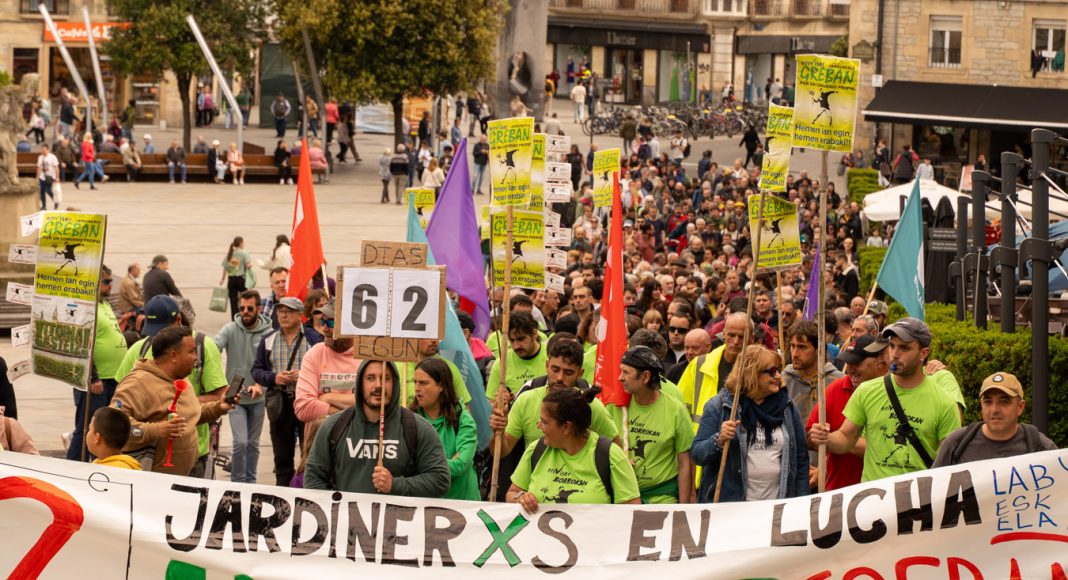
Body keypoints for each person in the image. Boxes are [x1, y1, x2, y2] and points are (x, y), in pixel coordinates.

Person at [809, 318, 962, 481]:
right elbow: (846, 438)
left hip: (919, 501)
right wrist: (827, 438)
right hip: (874, 501)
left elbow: (950, 461)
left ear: (923, 353)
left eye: (904, 348)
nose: (894, 354)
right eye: (892, 346)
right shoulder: (867, 391)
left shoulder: (944, 402)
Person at [113, 295, 228, 478]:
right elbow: (118, 422)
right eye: (154, 330)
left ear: (179, 320)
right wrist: (156, 429)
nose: (158, 337)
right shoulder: (138, 363)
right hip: (154, 474)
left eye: (163, 329)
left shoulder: (186, 371)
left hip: (194, 459)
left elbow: (191, 412)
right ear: (173, 356)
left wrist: (218, 407)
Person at [304, 360, 450, 497]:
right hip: (346, 521)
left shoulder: (418, 428)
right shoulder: (333, 426)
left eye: (386, 378)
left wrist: (396, 485)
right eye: (370, 378)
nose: (378, 385)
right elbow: (313, 477)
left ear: (395, 383)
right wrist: (334, 510)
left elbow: (440, 480)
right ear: (360, 384)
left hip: (397, 522)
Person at [691, 345, 809, 502]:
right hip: (733, 510)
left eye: (778, 369)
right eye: (772, 371)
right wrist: (719, 440)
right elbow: (697, 454)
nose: (778, 376)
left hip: (778, 507)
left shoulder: (786, 405)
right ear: (752, 374)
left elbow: (801, 458)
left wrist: (801, 503)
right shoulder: (721, 406)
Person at [507, 386, 640, 512]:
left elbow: (631, 513)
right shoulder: (536, 450)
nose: (538, 425)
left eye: (545, 422)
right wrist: (521, 498)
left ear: (567, 427)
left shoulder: (610, 455)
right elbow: (512, 493)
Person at [253, 296, 322, 486]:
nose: (283, 315)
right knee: (282, 457)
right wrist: (275, 378)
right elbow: (257, 371)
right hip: (280, 403)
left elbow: (324, 369)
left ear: (300, 315)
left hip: (306, 402)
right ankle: (282, 496)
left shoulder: (314, 339)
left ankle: (306, 490)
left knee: (309, 454)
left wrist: (306, 375)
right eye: (280, 311)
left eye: (289, 311)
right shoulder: (268, 340)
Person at [805, 335, 888, 491]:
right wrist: (817, 437)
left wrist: (839, 440)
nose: (850, 369)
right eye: (848, 362)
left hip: (881, 493)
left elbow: (882, 449)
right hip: (839, 493)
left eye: (857, 363)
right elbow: (810, 436)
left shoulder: (896, 392)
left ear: (880, 361)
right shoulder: (835, 389)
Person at [66, 267, 128, 462]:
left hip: (113, 378)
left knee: (105, 430)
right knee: (87, 429)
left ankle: (97, 465)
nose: (110, 286)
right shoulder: (86, 307)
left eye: (111, 282)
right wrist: (93, 376)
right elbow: (80, 342)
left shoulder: (105, 305)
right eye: (106, 282)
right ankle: (73, 467)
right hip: (96, 381)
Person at [618, 346, 694, 503]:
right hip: (623, 497)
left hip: (662, 497)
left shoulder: (675, 410)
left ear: (645, 377)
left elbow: (685, 463)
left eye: (626, 372)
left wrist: (683, 508)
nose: (620, 377)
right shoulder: (617, 405)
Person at [932, 372, 1057, 467]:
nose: (994, 409)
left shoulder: (1041, 446)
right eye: (988, 402)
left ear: (1020, 407)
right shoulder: (956, 443)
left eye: (1004, 402)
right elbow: (933, 491)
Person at [213, 290, 272, 484]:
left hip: (257, 398)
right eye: (242, 308)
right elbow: (214, 348)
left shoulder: (268, 333)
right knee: (240, 442)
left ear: (258, 309)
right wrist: (218, 384)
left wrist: (260, 385)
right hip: (235, 397)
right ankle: (237, 485)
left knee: (253, 445)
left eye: (250, 308)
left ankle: (250, 484)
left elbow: (271, 363)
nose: (245, 312)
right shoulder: (230, 329)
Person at [410, 357, 480, 500]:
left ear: (441, 386)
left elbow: (460, 465)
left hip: (464, 507)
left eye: (423, 383)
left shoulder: (462, 418)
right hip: (424, 507)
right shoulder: (408, 420)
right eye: (415, 382)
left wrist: (421, 465)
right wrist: (445, 463)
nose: (417, 388)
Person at [294, 301, 362, 440]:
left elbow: (375, 405)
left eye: (331, 323)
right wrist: (351, 413)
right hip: (319, 447)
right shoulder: (315, 354)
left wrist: (327, 398)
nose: (324, 329)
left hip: (357, 446)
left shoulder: (366, 358)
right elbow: (303, 407)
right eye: (322, 322)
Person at [678, 312, 749, 427]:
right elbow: (680, 406)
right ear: (724, 334)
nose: (736, 342)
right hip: (700, 440)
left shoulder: (758, 369)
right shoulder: (699, 364)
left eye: (742, 337)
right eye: (731, 335)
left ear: (752, 338)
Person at [485, 312, 548, 400]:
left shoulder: (550, 356)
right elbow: (490, 402)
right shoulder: (501, 363)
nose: (516, 346)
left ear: (534, 333)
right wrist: (501, 402)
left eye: (521, 339)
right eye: (512, 340)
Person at [219, 236, 251, 317]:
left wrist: (222, 279)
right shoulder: (244, 253)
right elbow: (248, 265)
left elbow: (225, 268)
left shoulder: (230, 254)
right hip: (241, 279)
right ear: (240, 243)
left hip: (231, 280)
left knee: (233, 300)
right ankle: (244, 315)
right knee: (244, 299)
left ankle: (234, 317)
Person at [36, 143, 59, 210]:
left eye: (44, 150)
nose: (43, 151)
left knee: (48, 190)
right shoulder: (40, 157)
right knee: (42, 191)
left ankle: (55, 201)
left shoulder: (52, 157)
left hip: (50, 176)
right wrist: (37, 177)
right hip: (42, 177)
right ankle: (44, 206)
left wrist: (57, 177)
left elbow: (56, 167)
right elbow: (39, 168)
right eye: (42, 150)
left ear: (47, 150)